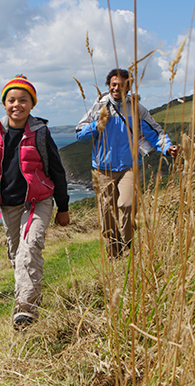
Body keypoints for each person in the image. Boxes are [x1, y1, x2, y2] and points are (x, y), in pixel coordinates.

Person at [0, 75, 70, 330]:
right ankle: (30, 295)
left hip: (38, 201)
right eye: (11, 100)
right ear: (4, 103)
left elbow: (57, 171)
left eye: (23, 100)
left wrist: (63, 207)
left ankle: (26, 311)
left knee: (29, 249)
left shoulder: (41, 133)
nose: (17, 105)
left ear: (32, 104)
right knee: (17, 256)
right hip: (8, 205)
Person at [75, 68, 179, 258]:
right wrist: (97, 125)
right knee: (107, 217)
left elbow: (154, 132)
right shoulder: (99, 106)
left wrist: (167, 147)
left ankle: (129, 247)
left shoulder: (136, 108)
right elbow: (80, 135)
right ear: (109, 85)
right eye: (114, 85)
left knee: (128, 205)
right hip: (102, 169)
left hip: (128, 166)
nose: (117, 89)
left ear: (128, 87)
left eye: (122, 85)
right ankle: (115, 256)